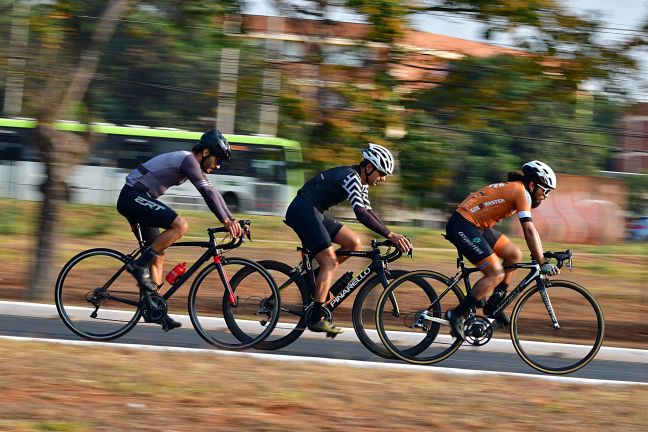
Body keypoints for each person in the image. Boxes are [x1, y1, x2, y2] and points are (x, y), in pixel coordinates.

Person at [116, 129, 242, 331]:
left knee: (158, 254)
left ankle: (155, 310)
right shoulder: (188, 160)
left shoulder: (194, 165)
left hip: (141, 200)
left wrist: (232, 218)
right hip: (132, 197)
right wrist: (225, 221)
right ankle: (138, 265)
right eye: (218, 160)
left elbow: (214, 193)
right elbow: (206, 192)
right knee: (180, 225)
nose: (218, 165)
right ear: (207, 152)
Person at [285, 143, 412, 336]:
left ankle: (317, 280)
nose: (383, 178)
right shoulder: (351, 177)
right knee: (330, 262)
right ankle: (316, 317)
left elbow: (369, 211)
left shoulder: (361, 182)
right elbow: (360, 213)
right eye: (381, 173)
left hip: (313, 211)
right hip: (302, 211)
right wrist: (391, 236)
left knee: (354, 243)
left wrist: (390, 233)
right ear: (369, 167)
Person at [444, 160, 561, 340]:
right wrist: (542, 262)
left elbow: (531, 231)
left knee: (514, 254)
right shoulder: (520, 192)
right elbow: (529, 229)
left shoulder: (519, 190)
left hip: (477, 226)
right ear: (532, 185)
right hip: (463, 225)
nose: (545, 196)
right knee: (495, 274)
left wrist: (542, 255)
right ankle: (457, 314)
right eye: (545, 191)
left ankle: (493, 305)